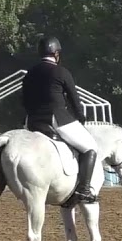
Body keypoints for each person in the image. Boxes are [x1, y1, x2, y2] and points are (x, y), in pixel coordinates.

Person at [23, 36, 98, 207]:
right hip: (56, 118)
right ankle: (84, 189)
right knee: (90, 147)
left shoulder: (30, 73)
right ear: (56, 54)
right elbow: (74, 100)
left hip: (32, 120)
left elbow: (24, 100)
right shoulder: (62, 72)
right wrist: (81, 118)